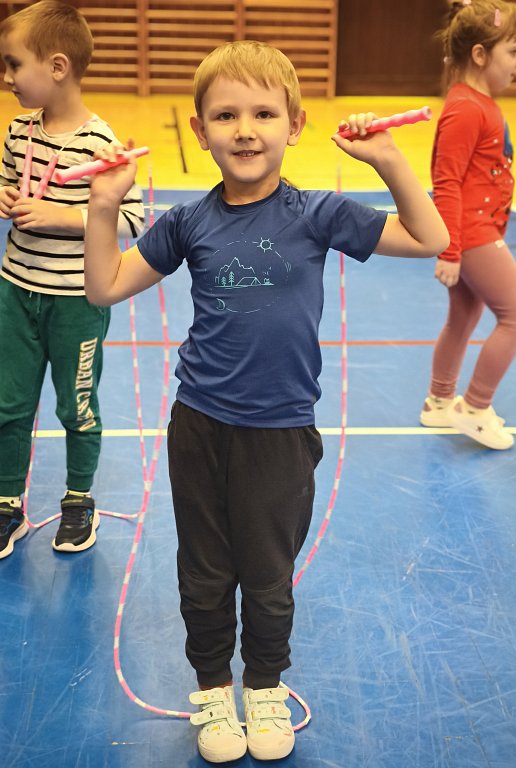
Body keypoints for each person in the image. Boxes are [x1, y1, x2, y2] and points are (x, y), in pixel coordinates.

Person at [83, 40, 448, 762]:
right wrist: (101, 208)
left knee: (268, 576)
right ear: (199, 131)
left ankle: (265, 687)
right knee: (204, 571)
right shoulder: (187, 222)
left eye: (263, 114)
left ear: (295, 124)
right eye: (225, 116)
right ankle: (214, 691)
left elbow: (429, 236)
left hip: (279, 433)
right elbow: (104, 287)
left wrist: (388, 160)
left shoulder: (317, 213)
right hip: (199, 426)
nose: (245, 130)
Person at [0, 0, 145, 560]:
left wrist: (63, 217)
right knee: (9, 404)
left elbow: (132, 220)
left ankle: (79, 501)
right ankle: (7, 505)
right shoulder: (18, 131)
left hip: (76, 301)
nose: (8, 77)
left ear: (57, 67)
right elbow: (8, 183)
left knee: (77, 407)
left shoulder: (100, 144)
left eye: (15, 65)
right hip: (15, 292)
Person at [419, 0, 516, 450]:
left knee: (465, 315)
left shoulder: (479, 104)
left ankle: (439, 402)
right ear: (481, 55)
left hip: (478, 229)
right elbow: (446, 181)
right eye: (515, 51)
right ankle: (475, 407)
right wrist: (450, 250)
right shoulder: (467, 109)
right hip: (472, 233)